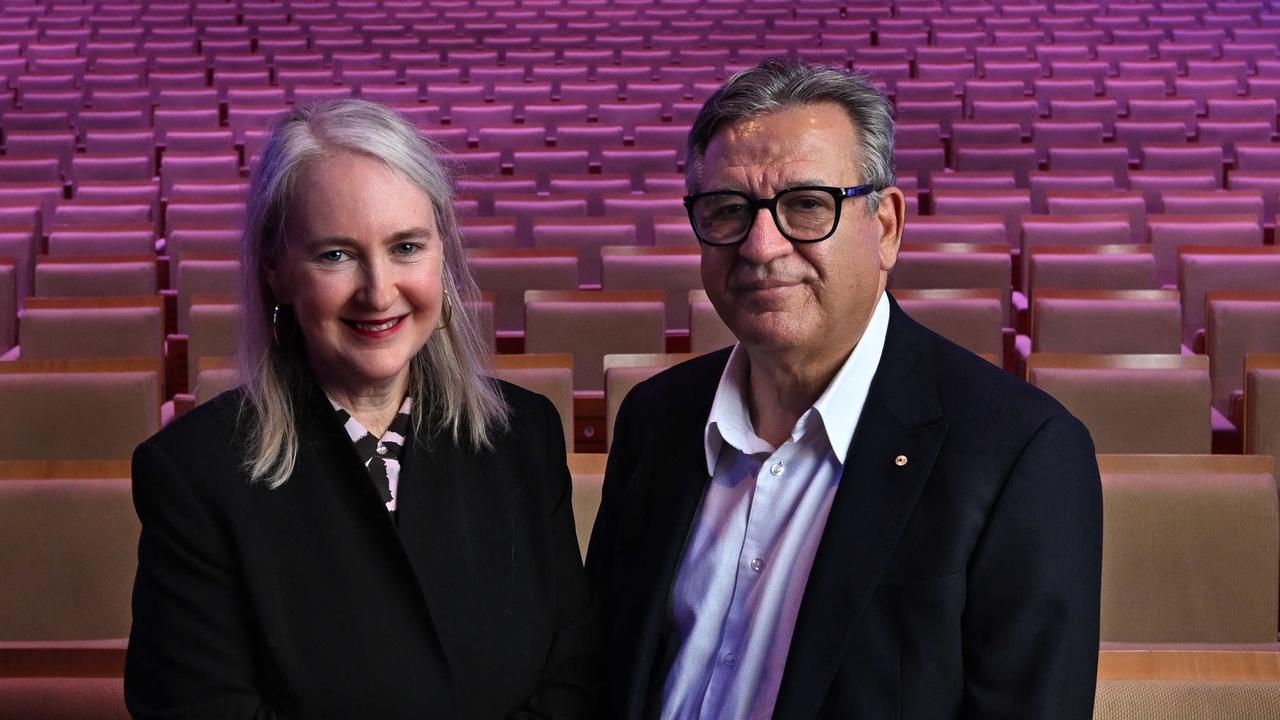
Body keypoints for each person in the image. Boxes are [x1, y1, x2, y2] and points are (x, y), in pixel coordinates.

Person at [586, 58, 1102, 719]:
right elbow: (604, 673)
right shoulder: (654, 418)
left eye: (806, 205)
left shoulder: (1019, 453)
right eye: (727, 210)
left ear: (884, 226)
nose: (760, 245)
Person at [126, 99, 600, 719]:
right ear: (276, 269)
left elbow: (574, 676)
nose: (379, 293)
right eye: (335, 255)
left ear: (443, 254)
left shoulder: (524, 434)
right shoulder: (194, 475)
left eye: (406, 246)